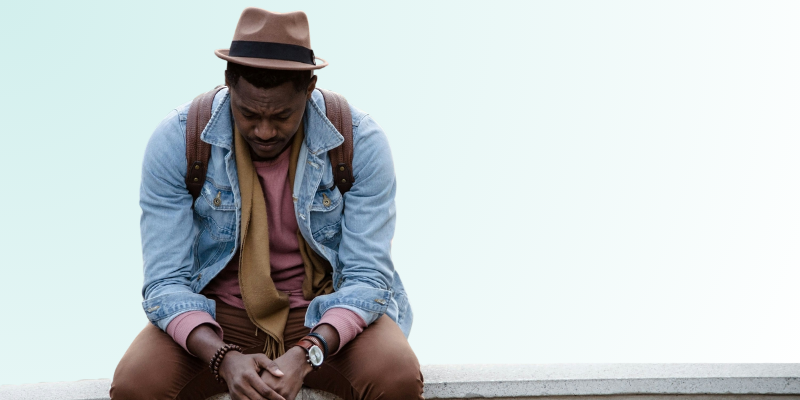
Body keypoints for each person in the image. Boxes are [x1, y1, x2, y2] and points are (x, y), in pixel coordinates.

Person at [110, 7, 422, 400]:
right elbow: (165, 282)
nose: (264, 130)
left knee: (395, 376)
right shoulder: (178, 141)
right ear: (228, 82)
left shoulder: (360, 141)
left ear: (309, 88)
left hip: (325, 307)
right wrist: (223, 357)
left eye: (281, 116)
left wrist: (308, 352)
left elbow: (367, 277)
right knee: (137, 384)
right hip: (219, 315)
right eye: (249, 113)